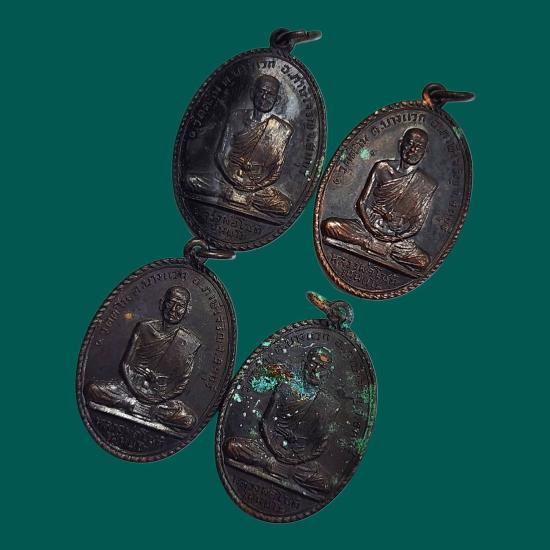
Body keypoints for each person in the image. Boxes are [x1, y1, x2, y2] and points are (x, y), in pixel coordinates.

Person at [224, 347, 339, 493]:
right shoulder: (287, 386)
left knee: (326, 484)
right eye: (313, 363)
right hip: (269, 447)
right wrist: (275, 449)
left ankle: (278, 467)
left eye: (322, 367)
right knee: (232, 446)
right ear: (305, 363)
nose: (316, 370)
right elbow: (267, 422)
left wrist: (298, 459)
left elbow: (321, 445)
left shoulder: (329, 404)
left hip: (298, 461)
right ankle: (272, 463)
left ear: (328, 373)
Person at [85, 286, 200, 430]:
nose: (173, 310)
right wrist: (135, 388)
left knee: (189, 420)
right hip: (129, 389)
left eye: (180, 306)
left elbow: (181, 384)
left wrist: (158, 395)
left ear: (186, 311)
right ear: (162, 303)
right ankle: (130, 404)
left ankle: (150, 410)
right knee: (92, 389)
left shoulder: (189, 342)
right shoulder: (144, 328)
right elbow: (126, 364)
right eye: (171, 303)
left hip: (159, 400)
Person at [322, 128, 437, 271]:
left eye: (418, 147)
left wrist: (396, 237)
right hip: (367, 228)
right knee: (330, 226)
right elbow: (362, 203)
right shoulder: (382, 168)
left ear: (425, 152)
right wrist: (370, 226)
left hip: (395, 240)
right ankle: (370, 243)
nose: (412, 150)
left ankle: (377, 246)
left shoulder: (427, 184)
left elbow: (418, 224)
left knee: (424, 262)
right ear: (400, 144)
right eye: (409, 144)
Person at [186, 75, 293, 216]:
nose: (264, 97)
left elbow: (276, 172)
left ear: (277, 100)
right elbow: (220, 154)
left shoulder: (282, 129)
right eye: (261, 91)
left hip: (256, 186)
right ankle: (231, 193)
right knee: (190, 180)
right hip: (227, 178)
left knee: (285, 207)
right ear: (253, 93)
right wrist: (232, 179)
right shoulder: (236, 116)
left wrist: (253, 186)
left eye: (270, 94)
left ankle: (232, 194)